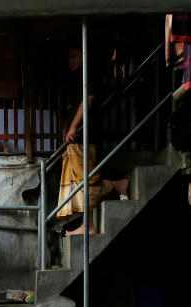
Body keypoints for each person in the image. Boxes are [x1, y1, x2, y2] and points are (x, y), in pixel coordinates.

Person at [59, 46, 129, 235]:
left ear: (83, 56)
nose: (70, 61)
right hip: (78, 136)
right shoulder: (77, 78)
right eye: (69, 57)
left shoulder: (87, 75)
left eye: (73, 56)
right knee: (82, 180)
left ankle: (88, 226)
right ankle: (118, 185)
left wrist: (73, 127)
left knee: (85, 181)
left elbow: (88, 99)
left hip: (83, 135)